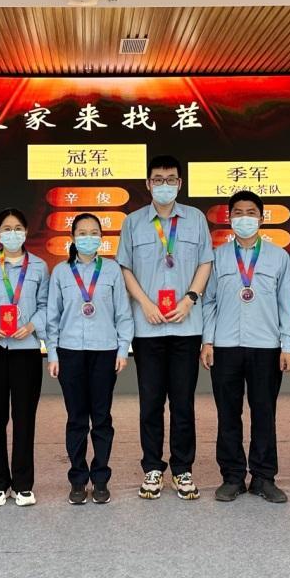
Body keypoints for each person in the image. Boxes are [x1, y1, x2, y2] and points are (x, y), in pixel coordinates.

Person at [116, 154, 213, 501]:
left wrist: (189, 299)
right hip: (148, 327)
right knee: (151, 402)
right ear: (148, 184)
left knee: (183, 402)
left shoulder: (196, 219)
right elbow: (124, 268)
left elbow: (205, 262)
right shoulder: (132, 222)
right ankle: (153, 467)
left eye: (171, 179)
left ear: (180, 183)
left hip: (186, 327)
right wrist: (145, 304)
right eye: (157, 179)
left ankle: (183, 469)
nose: (164, 185)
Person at [200, 190, 290, 504]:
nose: (245, 218)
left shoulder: (278, 257)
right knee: (228, 414)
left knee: (264, 412)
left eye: (251, 212)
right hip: (225, 345)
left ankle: (263, 477)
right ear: (229, 218)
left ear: (262, 217)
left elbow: (286, 304)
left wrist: (288, 344)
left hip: (266, 346)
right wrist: (207, 341)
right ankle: (232, 477)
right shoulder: (217, 257)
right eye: (238, 213)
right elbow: (209, 302)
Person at [46, 213, 134, 505]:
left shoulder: (111, 270)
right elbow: (52, 316)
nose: (88, 237)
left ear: (101, 237)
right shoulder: (61, 272)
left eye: (93, 232)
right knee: (76, 418)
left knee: (102, 417)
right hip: (70, 350)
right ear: (72, 238)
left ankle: (100, 478)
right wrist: (53, 352)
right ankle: (77, 478)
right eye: (82, 233)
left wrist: (123, 349)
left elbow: (123, 313)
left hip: (104, 350)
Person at [0, 208, 49, 507]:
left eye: (17, 228)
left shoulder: (39, 266)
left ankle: (24, 484)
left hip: (26, 349)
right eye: (6, 228)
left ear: (26, 232)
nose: (12, 233)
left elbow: (46, 305)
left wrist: (32, 325)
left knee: (25, 418)